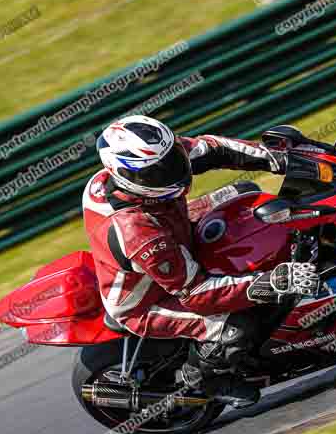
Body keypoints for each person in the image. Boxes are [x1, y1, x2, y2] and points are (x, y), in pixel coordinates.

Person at [83, 115, 319, 407]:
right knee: (238, 327)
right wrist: (269, 283)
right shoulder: (136, 231)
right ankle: (204, 377)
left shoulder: (154, 163)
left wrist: (278, 158)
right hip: (148, 300)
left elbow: (215, 149)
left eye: (172, 160)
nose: (172, 173)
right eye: (158, 173)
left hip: (174, 231)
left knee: (245, 192)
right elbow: (197, 294)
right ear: (126, 176)